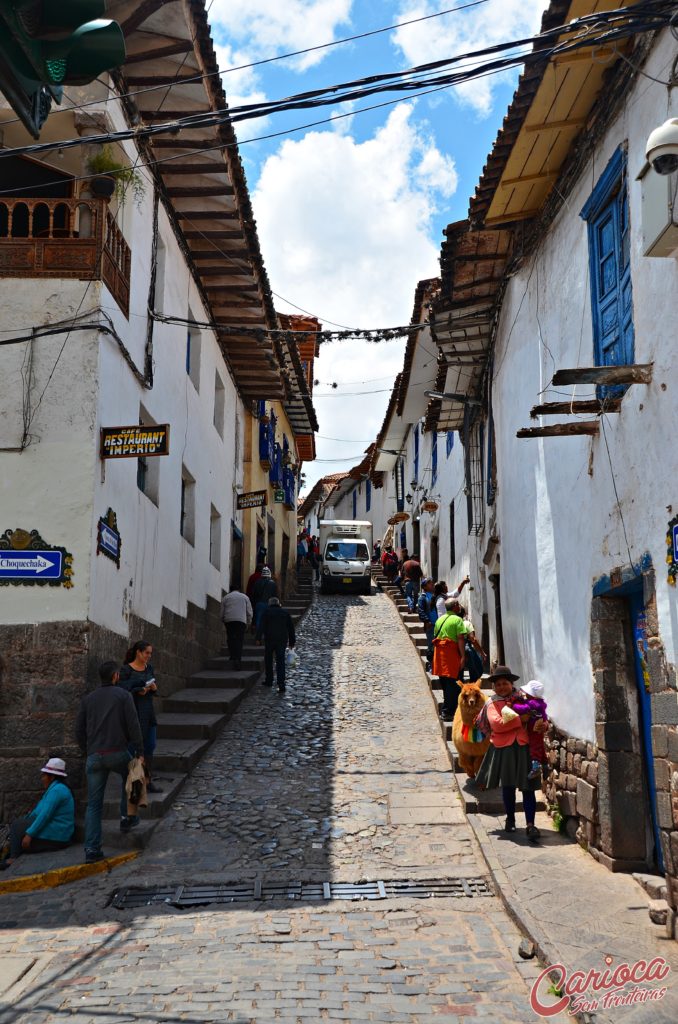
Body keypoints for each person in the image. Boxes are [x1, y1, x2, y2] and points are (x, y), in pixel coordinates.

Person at [76, 661, 143, 862]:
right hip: (117, 752)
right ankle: (128, 817)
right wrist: (140, 751)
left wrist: (87, 750)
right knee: (134, 774)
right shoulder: (123, 696)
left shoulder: (88, 699)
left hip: (95, 755)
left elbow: (79, 730)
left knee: (94, 805)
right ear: (115, 676)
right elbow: (133, 724)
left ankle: (92, 849)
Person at [474, 666, 545, 841]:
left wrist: (544, 725)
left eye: (505, 683)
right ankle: (510, 819)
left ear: (511, 684)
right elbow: (497, 724)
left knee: (528, 787)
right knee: (508, 786)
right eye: (498, 684)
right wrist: (520, 719)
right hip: (503, 749)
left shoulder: (522, 699)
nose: (502, 687)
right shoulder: (492, 703)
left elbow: (538, 715)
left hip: (523, 746)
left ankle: (530, 824)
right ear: (494, 687)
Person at [0, 758, 75, 871]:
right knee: (18, 827)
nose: (42, 779)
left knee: (17, 826)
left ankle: (13, 858)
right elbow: (38, 811)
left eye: (44, 776)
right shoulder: (54, 789)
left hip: (59, 836)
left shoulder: (57, 791)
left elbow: (45, 815)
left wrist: (29, 834)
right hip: (54, 830)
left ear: (52, 777)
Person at [119, 641, 161, 793]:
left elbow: (153, 684)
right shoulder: (126, 670)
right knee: (134, 749)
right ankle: (135, 782)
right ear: (138, 652)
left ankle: (148, 781)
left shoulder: (149, 668)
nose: (149, 656)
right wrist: (138, 690)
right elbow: (122, 689)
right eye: (146, 653)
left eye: (150, 653)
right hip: (134, 712)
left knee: (150, 747)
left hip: (148, 712)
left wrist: (153, 688)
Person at [432, 598, 468, 721]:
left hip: (440, 656)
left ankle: (446, 710)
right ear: (455, 606)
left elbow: (435, 635)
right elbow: (461, 639)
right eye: (458, 604)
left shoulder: (439, 620)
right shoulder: (457, 620)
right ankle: (449, 711)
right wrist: (463, 656)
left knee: (445, 684)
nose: (459, 606)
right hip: (452, 656)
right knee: (455, 684)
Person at [509, 679, 549, 780]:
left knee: (534, 747)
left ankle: (535, 768)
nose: (525, 694)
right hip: (539, 727)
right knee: (540, 746)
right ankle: (545, 765)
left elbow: (522, 708)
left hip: (534, 729)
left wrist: (513, 706)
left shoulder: (532, 703)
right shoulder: (540, 702)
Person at [257, 596, 296, 693]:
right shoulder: (285, 613)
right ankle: (281, 682)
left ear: (269, 604)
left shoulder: (266, 612)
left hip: (269, 639)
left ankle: (269, 680)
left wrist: (258, 638)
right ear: (279, 604)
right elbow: (291, 629)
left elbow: (261, 626)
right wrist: (292, 642)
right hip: (281, 640)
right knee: (280, 661)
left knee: (268, 660)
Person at [220, 584, 253, 670]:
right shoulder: (245, 597)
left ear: (230, 590)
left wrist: (223, 619)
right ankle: (238, 658)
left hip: (229, 620)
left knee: (230, 638)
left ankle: (232, 656)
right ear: (239, 589)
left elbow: (222, 612)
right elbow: (249, 612)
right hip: (241, 621)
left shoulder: (226, 597)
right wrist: (248, 622)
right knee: (239, 639)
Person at [458, 604, 486, 683]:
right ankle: (472, 688)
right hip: (467, 649)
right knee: (477, 671)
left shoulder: (453, 624)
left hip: (456, 649)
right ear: (464, 614)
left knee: (459, 675)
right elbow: (473, 639)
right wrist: (482, 653)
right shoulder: (467, 623)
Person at [416, 578, 437, 669]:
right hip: (430, 625)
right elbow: (420, 611)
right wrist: (427, 621)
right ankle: (431, 665)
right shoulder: (423, 597)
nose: (432, 584)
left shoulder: (434, 596)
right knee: (431, 646)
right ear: (425, 587)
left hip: (438, 625)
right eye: (430, 583)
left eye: (432, 583)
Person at [252, 566, 278, 631]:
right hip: (269, 604)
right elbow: (275, 596)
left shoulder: (257, 582)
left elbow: (254, 594)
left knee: (259, 620)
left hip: (259, 603)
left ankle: (258, 636)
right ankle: (267, 635)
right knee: (269, 620)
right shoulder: (273, 583)